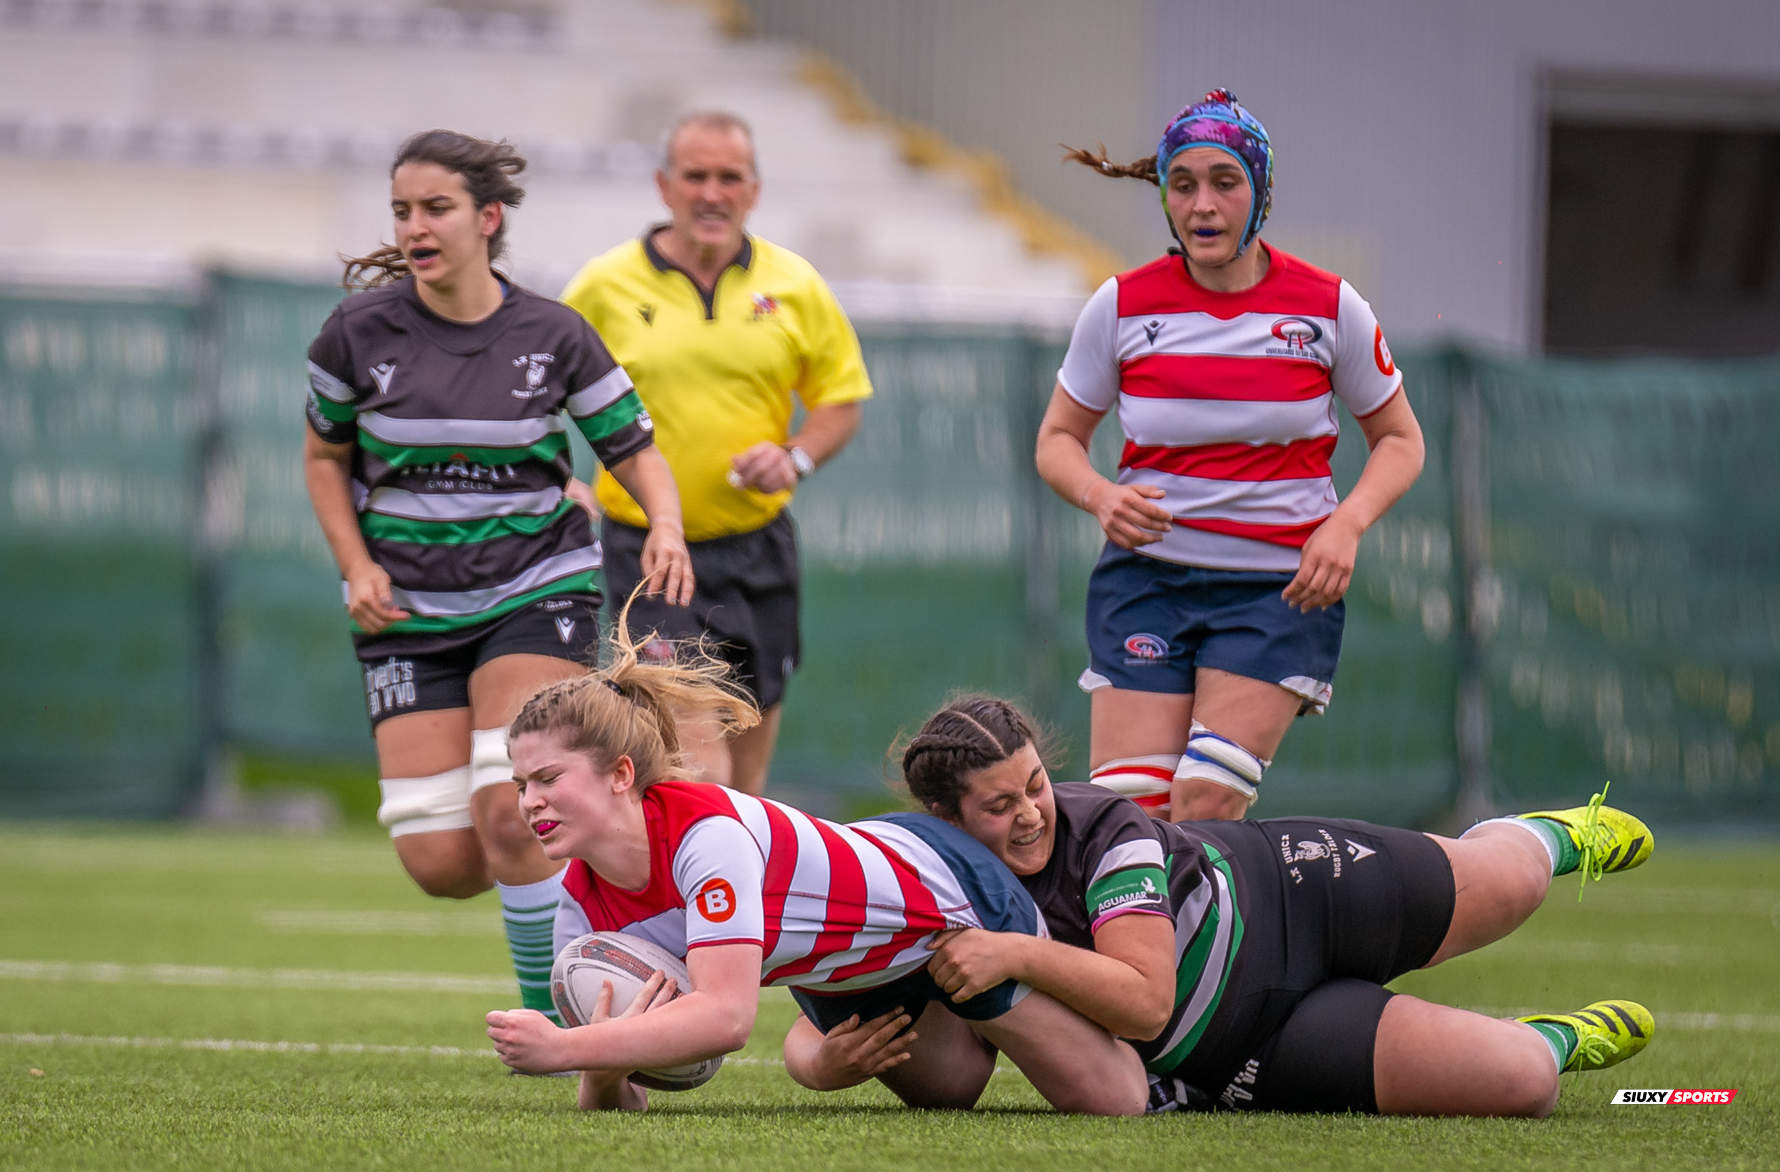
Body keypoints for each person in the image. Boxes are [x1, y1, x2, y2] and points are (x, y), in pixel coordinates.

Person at [791, 697, 1656, 1116]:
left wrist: (1014, 953)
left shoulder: (1106, 830)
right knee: (1524, 1083)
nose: (1031, 813)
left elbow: (1144, 999)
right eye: (999, 805)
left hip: (1296, 895)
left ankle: (1546, 835)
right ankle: (1556, 1037)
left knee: (1511, 888)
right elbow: (816, 978)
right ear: (946, 820)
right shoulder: (919, 875)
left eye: (1035, 784)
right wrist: (817, 1064)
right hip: (1248, 1051)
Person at [302, 129, 694, 1024]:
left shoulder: (553, 334)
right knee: (441, 863)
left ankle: (556, 1019)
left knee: (517, 812)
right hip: (405, 605)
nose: (415, 226)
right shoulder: (356, 335)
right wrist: (355, 565)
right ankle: (591, 882)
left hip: (534, 586)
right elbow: (323, 458)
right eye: (402, 209)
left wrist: (664, 522)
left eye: (435, 208)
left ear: (487, 218)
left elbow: (633, 450)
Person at [482, 615, 1147, 1116]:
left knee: (1117, 1101)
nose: (528, 802)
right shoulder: (579, 900)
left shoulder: (705, 836)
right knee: (951, 1092)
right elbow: (614, 1102)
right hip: (850, 977)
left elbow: (726, 1019)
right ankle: (967, 1015)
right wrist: (601, 1067)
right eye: (519, 784)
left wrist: (561, 1048)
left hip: (951, 894)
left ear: (621, 775)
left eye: (547, 778)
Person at [1037, 90, 1426, 821]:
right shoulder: (1121, 305)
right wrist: (1100, 494)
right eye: (1183, 185)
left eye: (1225, 182)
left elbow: (1402, 442)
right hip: (1145, 583)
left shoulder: (1329, 306)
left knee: (1207, 798)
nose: (1202, 205)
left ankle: (1207, 935)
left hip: (1277, 590)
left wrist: (1346, 525)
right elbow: (1057, 440)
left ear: (1261, 192)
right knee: (1128, 815)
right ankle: (1150, 939)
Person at [559, 111, 872, 795]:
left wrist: (795, 457)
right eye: (695, 176)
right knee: (699, 756)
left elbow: (840, 400)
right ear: (663, 186)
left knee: (747, 775)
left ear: (753, 191)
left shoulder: (795, 285)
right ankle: (701, 887)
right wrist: (560, 476)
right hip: (649, 550)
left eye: (728, 177)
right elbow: (536, 385)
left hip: (758, 548)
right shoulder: (604, 286)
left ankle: (725, 891)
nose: (711, 193)